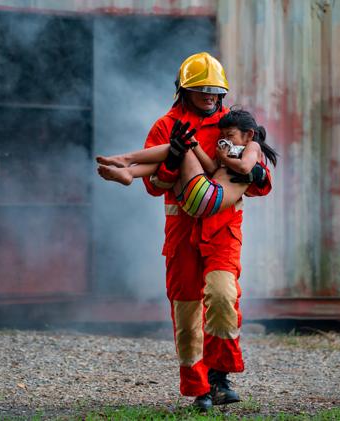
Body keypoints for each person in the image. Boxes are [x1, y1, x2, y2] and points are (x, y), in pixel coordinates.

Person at [116, 52, 273, 412]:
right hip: (182, 233)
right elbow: (155, 187)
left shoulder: (231, 123)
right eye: (202, 89)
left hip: (222, 231)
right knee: (187, 316)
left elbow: (260, 179)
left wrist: (258, 174)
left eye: (216, 90)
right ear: (184, 89)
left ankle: (220, 377)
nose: (210, 96)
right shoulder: (165, 125)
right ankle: (199, 388)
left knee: (221, 297)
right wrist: (172, 161)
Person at [96, 110, 277, 218]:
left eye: (229, 135)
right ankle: (128, 170)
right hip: (193, 202)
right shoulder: (166, 122)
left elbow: (245, 168)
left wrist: (226, 158)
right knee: (177, 150)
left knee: (179, 148)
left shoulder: (252, 146)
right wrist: (196, 145)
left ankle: (128, 161)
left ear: (249, 135)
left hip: (209, 196)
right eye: (222, 135)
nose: (224, 139)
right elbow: (212, 169)